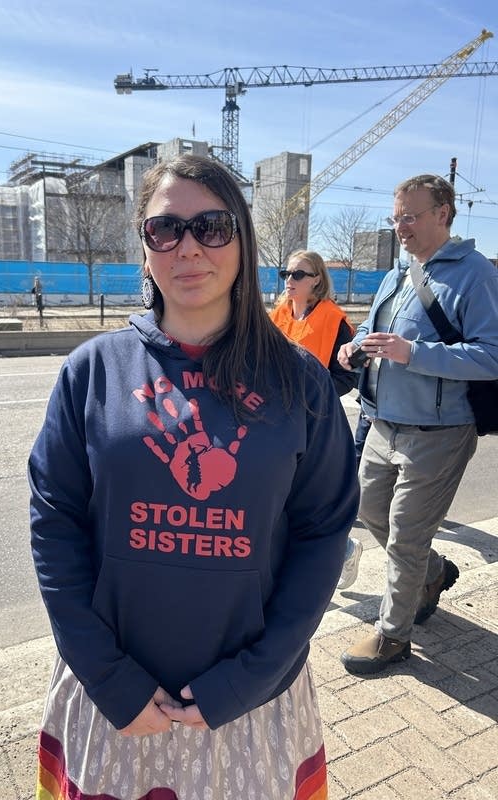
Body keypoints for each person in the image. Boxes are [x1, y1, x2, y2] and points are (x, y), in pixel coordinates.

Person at [29, 153, 359, 799]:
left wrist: (246, 681)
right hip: (112, 703)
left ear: (242, 237)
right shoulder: (91, 372)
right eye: (165, 229)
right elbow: (54, 526)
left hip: (250, 707)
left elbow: (323, 535)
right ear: (144, 246)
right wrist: (110, 680)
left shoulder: (301, 383)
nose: (188, 247)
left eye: (211, 226)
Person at [338, 173, 498, 675]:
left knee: (405, 536)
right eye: (396, 217)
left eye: (410, 216)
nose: (400, 227)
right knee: (370, 512)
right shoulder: (398, 272)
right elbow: (371, 327)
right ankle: (433, 574)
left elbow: (491, 356)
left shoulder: (476, 274)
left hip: (439, 433)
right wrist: (354, 346)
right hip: (382, 423)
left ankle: (393, 637)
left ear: (443, 213)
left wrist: (414, 353)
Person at [270, 250, 362, 590]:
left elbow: (346, 376)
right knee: (281, 499)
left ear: (317, 280)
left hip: (314, 420)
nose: (290, 281)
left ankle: (345, 549)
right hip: (277, 420)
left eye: (298, 274)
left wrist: (310, 396)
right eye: (286, 274)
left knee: (312, 501)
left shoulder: (334, 319)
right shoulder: (276, 315)